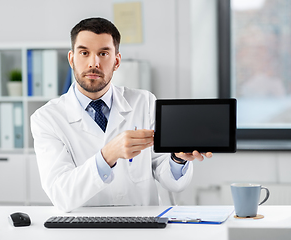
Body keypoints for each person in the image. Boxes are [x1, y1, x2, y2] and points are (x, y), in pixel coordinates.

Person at [31, 17, 212, 212]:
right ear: (72, 59)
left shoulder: (145, 102)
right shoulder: (47, 118)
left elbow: (172, 181)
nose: (94, 63)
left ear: (116, 61)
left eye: (103, 53)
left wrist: (178, 159)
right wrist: (108, 155)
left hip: (142, 226)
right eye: (84, 53)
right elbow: (61, 194)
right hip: (86, 229)